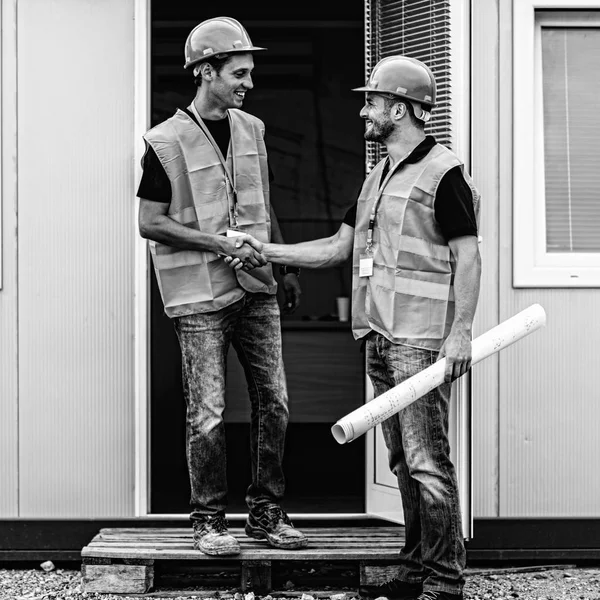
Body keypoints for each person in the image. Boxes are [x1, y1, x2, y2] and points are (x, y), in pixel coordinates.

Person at [228, 56, 481, 600]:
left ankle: (444, 581)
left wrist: (461, 332)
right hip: (380, 335)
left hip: (421, 339)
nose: (363, 111)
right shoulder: (380, 175)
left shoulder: (443, 173)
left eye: (371, 102)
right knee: (401, 459)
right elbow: (337, 248)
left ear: (399, 108)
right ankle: (416, 568)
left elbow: (469, 256)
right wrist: (264, 250)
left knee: (427, 461)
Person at [137, 16, 307, 557]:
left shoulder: (252, 129)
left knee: (274, 402)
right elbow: (149, 222)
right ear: (206, 71)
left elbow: (264, 204)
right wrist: (219, 245)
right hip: (199, 296)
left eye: (249, 73)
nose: (248, 84)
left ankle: (267, 513)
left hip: (257, 286)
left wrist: (287, 268)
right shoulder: (164, 143)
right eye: (239, 73)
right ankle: (208, 520)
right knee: (207, 411)